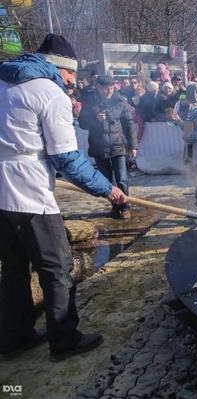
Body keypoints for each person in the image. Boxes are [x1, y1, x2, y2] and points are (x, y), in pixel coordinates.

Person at [0, 34, 127, 362]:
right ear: (59, 67)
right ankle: (64, 339)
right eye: (71, 74)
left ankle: (15, 336)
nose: (72, 81)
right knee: (57, 267)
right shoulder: (48, 91)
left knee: (13, 267)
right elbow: (67, 158)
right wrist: (108, 188)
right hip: (28, 193)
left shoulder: (4, 80)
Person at [79, 75, 137, 219]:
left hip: (118, 145)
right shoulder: (89, 102)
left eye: (111, 88)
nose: (109, 91)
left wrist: (133, 145)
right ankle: (114, 207)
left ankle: (124, 208)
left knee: (122, 179)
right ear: (98, 88)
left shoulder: (120, 101)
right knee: (106, 181)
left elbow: (129, 124)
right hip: (99, 146)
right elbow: (82, 123)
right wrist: (95, 119)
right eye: (106, 89)